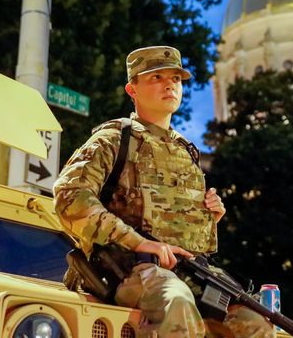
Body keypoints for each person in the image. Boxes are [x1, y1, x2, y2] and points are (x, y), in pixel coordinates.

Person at [53, 46, 275, 338]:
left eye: (176, 78)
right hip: (129, 267)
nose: (170, 84)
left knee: (255, 321)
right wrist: (139, 243)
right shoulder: (113, 139)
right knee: (176, 301)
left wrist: (210, 218)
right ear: (132, 89)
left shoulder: (186, 151)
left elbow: (181, 232)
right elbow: (69, 198)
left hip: (188, 270)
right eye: (156, 77)